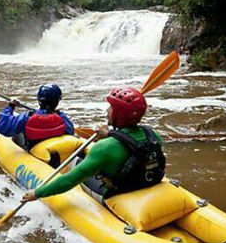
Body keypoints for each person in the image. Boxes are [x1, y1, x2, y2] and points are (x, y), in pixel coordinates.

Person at [22, 87, 165, 203]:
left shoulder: (104, 147)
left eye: (111, 108)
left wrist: (37, 193)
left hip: (117, 191)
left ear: (119, 114)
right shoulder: (152, 134)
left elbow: (70, 180)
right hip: (145, 181)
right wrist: (110, 134)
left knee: (75, 162)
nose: (107, 111)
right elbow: (130, 144)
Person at [0, 84, 74, 150]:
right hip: (56, 150)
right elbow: (70, 132)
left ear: (39, 100)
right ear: (57, 101)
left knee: (18, 131)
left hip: (34, 149)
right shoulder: (62, 117)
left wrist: (11, 106)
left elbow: (2, 127)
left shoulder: (27, 117)